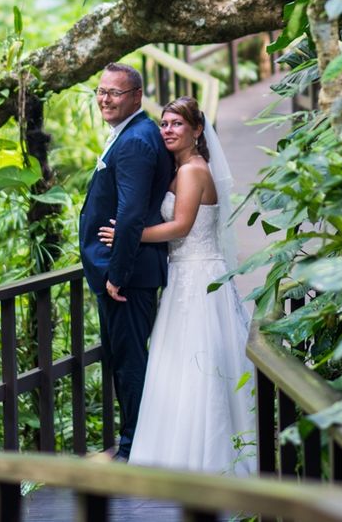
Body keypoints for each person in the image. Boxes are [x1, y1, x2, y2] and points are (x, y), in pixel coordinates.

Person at [99, 95, 253, 475]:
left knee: (197, 364)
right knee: (177, 365)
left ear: (197, 130)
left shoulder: (191, 171)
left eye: (177, 124)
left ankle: (206, 459)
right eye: (164, 123)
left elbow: (181, 226)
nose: (167, 130)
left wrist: (128, 236)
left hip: (198, 277)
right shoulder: (182, 168)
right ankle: (176, 452)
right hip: (184, 273)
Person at [79, 62, 172, 461]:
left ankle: (134, 448)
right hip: (126, 271)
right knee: (125, 357)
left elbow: (131, 213)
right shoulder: (134, 133)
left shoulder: (135, 139)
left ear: (135, 95)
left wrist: (116, 271)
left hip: (128, 275)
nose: (105, 99)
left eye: (114, 93)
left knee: (129, 361)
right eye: (101, 91)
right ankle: (136, 441)